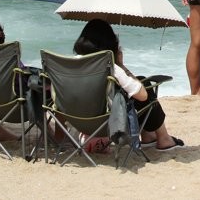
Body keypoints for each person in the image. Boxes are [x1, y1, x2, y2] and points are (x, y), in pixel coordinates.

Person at [73, 19, 183, 151]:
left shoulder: (68, 65)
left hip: (77, 120)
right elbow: (142, 95)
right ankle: (164, 138)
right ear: (108, 43)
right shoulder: (111, 68)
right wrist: (121, 66)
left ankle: (148, 135)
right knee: (144, 84)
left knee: (139, 82)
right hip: (108, 123)